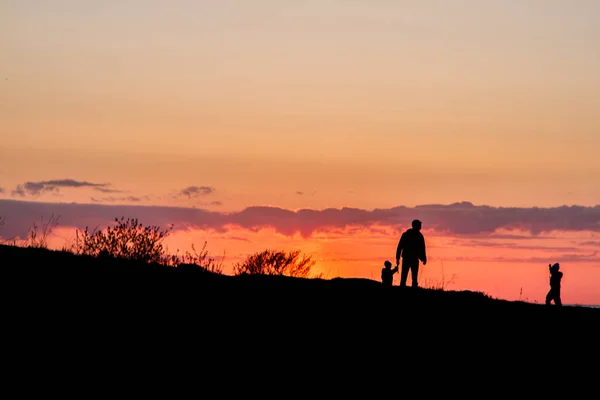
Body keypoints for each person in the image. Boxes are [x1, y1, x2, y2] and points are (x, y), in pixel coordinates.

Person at [395, 219, 427, 288]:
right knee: (405, 275)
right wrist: (397, 258)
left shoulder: (419, 236)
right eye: (419, 226)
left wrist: (423, 258)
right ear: (415, 225)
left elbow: (422, 248)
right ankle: (404, 286)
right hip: (407, 258)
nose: (420, 227)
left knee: (414, 276)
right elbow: (400, 247)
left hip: (413, 258)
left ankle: (413, 287)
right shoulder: (407, 235)